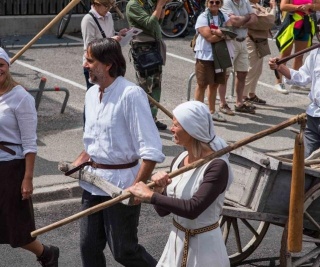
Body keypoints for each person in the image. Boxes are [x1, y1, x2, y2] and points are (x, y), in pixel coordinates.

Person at [71, 38, 165, 267]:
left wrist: (136, 188)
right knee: (88, 247)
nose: (85, 64)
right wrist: (81, 159)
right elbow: (95, 139)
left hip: (122, 184)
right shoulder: (91, 94)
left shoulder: (131, 95)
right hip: (93, 183)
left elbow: (151, 151)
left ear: (108, 64)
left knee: (124, 250)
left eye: (90, 60)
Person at [128, 101, 234, 267]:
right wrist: (159, 189)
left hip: (205, 251)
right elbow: (163, 212)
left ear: (192, 130)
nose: (171, 129)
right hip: (175, 243)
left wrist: (151, 195)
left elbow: (193, 209)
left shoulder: (217, 167)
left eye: (176, 125)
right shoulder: (179, 159)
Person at [0, 47, 59, 266]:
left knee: (16, 228)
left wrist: (28, 178)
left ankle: (46, 253)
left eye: (1, 65)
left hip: (11, 168)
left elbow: (29, 142)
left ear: (8, 66)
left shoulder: (20, 97)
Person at [126, 0, 169, 130]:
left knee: (156, 84)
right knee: (145, 87)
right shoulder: (133, 5)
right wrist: (160, 5)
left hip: (153, 46)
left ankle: (152, 118)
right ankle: (142, 121)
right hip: (143, 49)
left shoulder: (148, 3)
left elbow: (157, 23)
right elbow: (149, 24)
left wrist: (162, 6)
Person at [269, 49, 320, 158]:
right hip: (314, 117)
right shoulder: (315, 53)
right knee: (304, 160)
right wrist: (280, 67)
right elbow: (302, 77)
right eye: (319, 31)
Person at [194, 0, 234, 122]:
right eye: (212, 2)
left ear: (221, 4)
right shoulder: (203, 17)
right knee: (202, 84)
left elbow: (231, 33)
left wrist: (217, 32)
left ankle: (212, 111)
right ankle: (198, 113)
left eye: (217, 2)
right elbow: (209, 37)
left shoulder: (224, 16)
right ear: (207, 3)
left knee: (215, 84)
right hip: (205, 55)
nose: (214, 4)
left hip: (220, 54)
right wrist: (223, 34)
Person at [218, 0, 257, 115]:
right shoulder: (226, 2)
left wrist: (241, 22)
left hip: (243, 41)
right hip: (231, 42)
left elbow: (255, 19)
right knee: (225, 74)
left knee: (242, 73)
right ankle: (222, 103)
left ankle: (239, 102)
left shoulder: (245, 2)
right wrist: (246, 17)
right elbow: (233, 21)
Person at [81, 0, 128, 90]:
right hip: (95, 64)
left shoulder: (108, 16)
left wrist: (119, 35)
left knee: (110, 94)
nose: (108, 9)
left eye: (109, 6)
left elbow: (109, 34)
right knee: (95, 96)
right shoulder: (88, 19)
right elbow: (89, 46)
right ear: (96, 4)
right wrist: (111, 40)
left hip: (109, 62)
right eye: (105, 6)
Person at [274, 0, 316, 94]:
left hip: (306, 24)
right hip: (292, 24)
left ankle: (295, 82)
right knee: (285, 55)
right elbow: (283, 6)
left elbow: (318, 5)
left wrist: (310, 6)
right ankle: (278, 82)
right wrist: (298, 7)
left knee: (299, 55)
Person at [244, 0, 276, 105]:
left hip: (260, 40)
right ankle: (243, 96)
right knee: (251, 69)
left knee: (258, 70)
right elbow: (269, 21)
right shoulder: (248, 6)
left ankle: (251, 94)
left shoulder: (257, 6)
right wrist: (274, 8)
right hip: (251, 39)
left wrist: (269, 10)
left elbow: (267, 16)